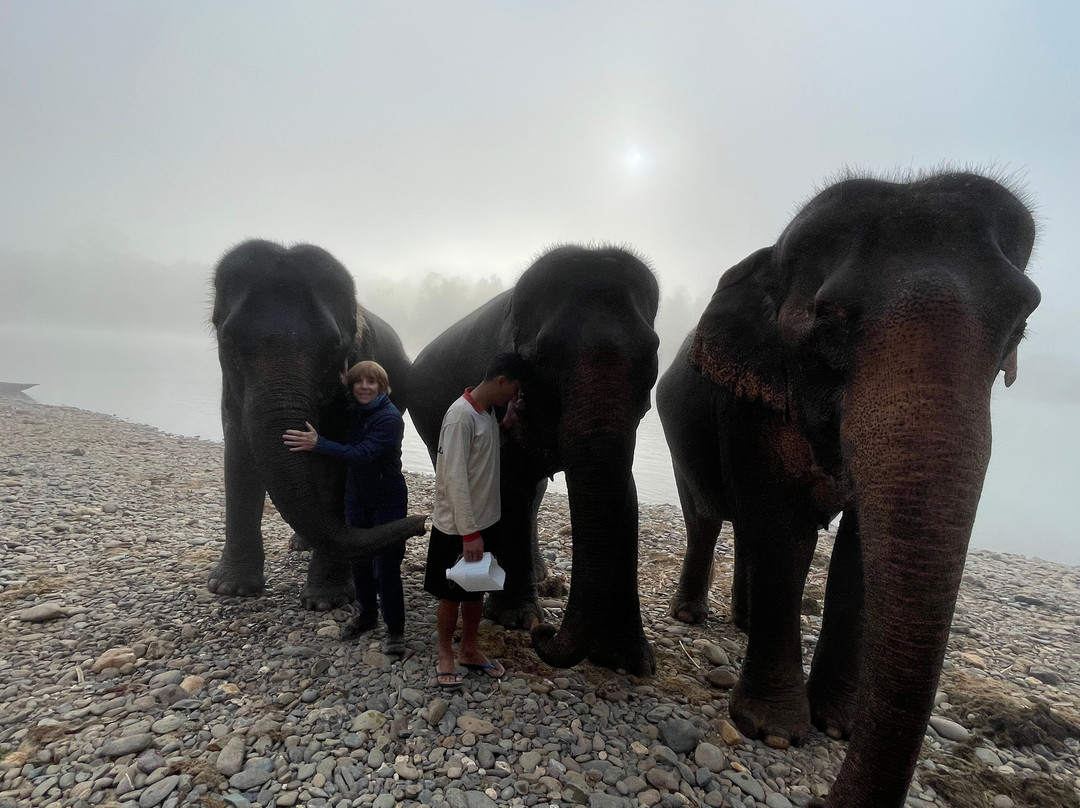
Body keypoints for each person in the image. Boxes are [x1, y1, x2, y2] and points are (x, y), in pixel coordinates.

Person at [283, 360, 409, 657]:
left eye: (372, 382)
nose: (365, 387)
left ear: (382, 386)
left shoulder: (389, 418)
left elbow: (364, 454)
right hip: (356, 498)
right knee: (359, 561)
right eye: (358, 382)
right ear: (351, 387)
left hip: (386, 500)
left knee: (386, 567)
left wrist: (319, 443)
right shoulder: (354, 411)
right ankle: (366, 616)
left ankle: (395, 629)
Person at [424, 352, 528, 689]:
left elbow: (479, 449)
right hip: (457, 525)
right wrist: (469, 534)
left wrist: (506, 423)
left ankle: (469, 649)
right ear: (500, 381)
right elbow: (453, 478)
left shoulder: (486, 413)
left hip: (485, 520)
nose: (514, 396)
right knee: (451, 593)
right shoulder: (460, 416)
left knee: (476, 589)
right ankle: (445, 654)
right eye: (513, 390)